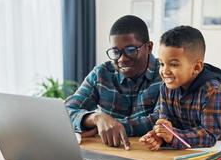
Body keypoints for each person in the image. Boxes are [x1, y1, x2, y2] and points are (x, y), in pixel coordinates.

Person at [139, 26, 221, 150]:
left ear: (196, 68)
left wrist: (173, 136)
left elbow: (209, 135)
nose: (164, 71)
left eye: (173, 64)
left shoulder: (212, 91)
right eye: (162, 63)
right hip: (200, 148)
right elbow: (167, 124)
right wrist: (160, 135)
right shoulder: (166, 88)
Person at [65, 15, 162, 150]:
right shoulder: (101, 74)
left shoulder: (165, 74)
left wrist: (110, 127)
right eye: (116, 52)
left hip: (152, 153)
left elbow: (160, 120)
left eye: (131, 50)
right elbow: (66, 111)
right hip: (108, 152)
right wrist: (96, 119)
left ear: (149, 47)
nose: (122, 59)